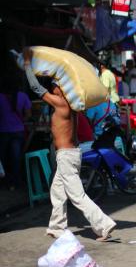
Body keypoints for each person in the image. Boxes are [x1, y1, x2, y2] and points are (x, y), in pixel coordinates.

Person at [23, 48, 116, 241]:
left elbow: (36, 88)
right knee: (57, 191)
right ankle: (57, 227)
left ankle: (104, 224)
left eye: (56, 86)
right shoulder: (72, 105)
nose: (53, 88)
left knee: (77, 195)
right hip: (71, 153)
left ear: (61, 89)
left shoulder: (60, 103)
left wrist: (26, 64)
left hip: (66, 155)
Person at [0, 61, 31, 190]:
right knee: (16, 158)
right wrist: (21, 121)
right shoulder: (23, 96)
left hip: (3, 131)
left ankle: (5, 181)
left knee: (3, 158)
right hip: (18, 131)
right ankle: (16, 182)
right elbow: (28, 114)